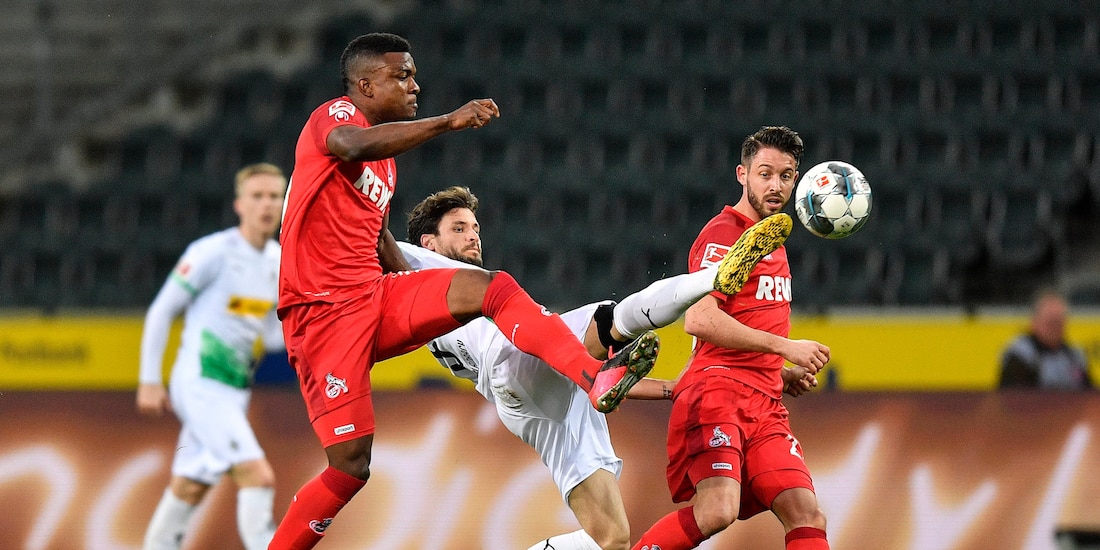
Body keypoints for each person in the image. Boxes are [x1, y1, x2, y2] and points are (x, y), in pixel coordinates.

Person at [271, 33, 659, 549]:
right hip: (321, 320)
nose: (415, 85)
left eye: (413, 74)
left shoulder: (385, 162)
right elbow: (348, 145)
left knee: (490, 288)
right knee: (350, 467)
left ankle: (592, 375)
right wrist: (448, 121)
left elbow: (378, 238)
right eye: (401, 76)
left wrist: (422, 281)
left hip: (373, 298)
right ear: (364, 84)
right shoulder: (337, 116)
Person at [400, 186, 818, 550]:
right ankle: (713, 278)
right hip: (512, 357)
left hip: (538, 402)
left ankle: (614, 355)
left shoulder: (454, 283)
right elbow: (375, 242)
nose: (473, 236)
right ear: (428, 244)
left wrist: (677, 388)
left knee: (611, 539)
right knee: (614, 317)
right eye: (459, 228)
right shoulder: (417, 267)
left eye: (475, 228)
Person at [632, 126, 832, 550]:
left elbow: (748, 321)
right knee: (717, 510)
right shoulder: (727, 233)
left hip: (764, 401)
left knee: (806, 513)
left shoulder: (772, 237)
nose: (776, 186)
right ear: (742, 174)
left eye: (786, 175)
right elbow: (700, 320)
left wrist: (780, 372)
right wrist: (784, 347)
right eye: (765, 174)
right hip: (717, 392)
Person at [136, 163, 287, 550]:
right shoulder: (211, 253)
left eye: (275, 196)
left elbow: (272, 337)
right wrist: (149, 379)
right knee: (259, 476)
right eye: (257, 196)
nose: (266, 205)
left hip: (233, 391)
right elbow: (161, 311)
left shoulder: (278, 261)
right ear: (239, 204)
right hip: (199, 383)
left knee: (189, 485)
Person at [999, 288, 1093, 390]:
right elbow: (1014, 396)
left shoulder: (1074, 355)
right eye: (1050, 322)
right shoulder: (1020, 354)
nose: (1055, 328)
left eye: (1059, 322)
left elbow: (1089, 394)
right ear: (1035, 321)